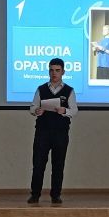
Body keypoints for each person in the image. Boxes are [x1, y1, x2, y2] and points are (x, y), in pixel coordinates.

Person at [27, 58, 78, 205]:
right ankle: (35, 195)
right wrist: (36, 110)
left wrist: (64, 111)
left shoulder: (69, 90)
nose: (54, 73)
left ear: (63, 72)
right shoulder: (41, 89)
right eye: (51, 70)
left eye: (57, 70)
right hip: (42, 132)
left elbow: (74, 110)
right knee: (38, 164)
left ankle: (56, 195)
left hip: (60, 133)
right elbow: (32, 107)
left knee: (58, 165)